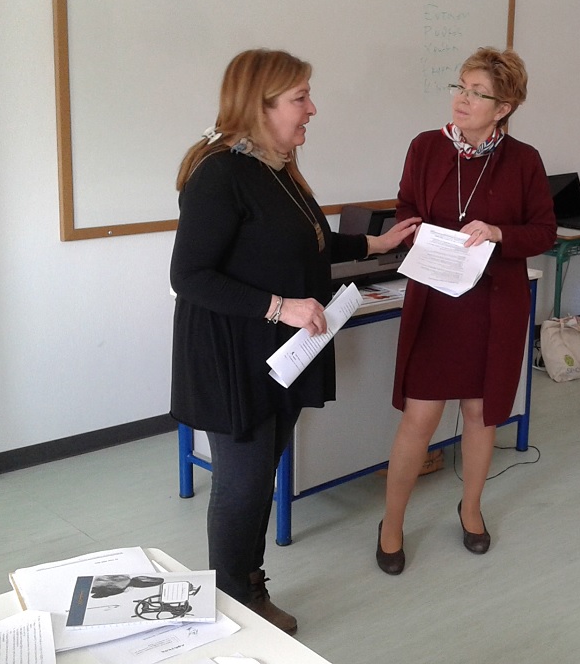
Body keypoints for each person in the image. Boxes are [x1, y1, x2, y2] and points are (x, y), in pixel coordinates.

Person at [170, 49, 418, 632]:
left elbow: (305, 241)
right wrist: (281, 307)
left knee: (259, 475)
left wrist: (373, 246)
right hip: (234, 354)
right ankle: (232, 603)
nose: (312, 109)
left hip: (278, 352)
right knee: (242, 483)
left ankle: (247, 587)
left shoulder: (276, 166)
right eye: (300, 97)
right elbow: (189, 276)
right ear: (260, 105)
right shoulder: (222, 173)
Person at [377, 48, 556, 575]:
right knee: (420, 417)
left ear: (503, 108)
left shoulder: (523, 160)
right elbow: (406, 207)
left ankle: (471, 509)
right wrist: (418, 232)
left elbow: (543, 231)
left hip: (494, 305)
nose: (462, 98)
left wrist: (498, 232)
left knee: (481, 414)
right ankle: (391, 524)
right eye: (460, 86)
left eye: (478, 93)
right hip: (436, 302)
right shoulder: (425, 147)